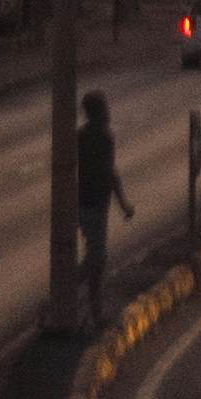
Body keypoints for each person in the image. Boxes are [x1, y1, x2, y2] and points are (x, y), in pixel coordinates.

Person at [76, 90, 135, 328]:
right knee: (97, 258)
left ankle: (80, 298)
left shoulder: (80, 136)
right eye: (104, 108)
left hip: (83, 202)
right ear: (98, 112)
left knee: (95, 256)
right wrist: (123, 204)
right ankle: (85, 302)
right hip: (94, 203)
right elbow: (110, 173)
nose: (108, 112)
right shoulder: (103, 138)